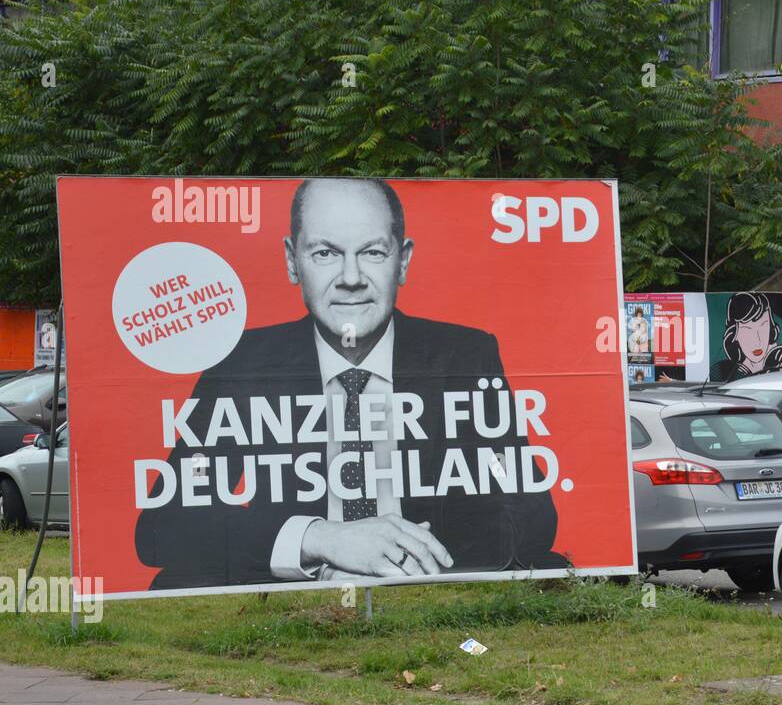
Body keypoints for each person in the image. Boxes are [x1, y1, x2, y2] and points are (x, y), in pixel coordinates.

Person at [135, 178, 565, 590]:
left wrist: (399, 555)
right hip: (294, 596)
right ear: (291, 260)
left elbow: (532, 513)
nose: (351, 277)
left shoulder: (465, 355)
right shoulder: (241, 362)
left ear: (403, 260)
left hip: (427, 585)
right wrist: (321, 540)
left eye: (373, 253)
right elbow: (162, 526)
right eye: (325, 253)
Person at [710, 292, 782, 382]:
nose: (757, 340)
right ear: (734, 334)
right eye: (748, 330)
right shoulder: (730, 372)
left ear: (771, 326)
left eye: (763, 325)